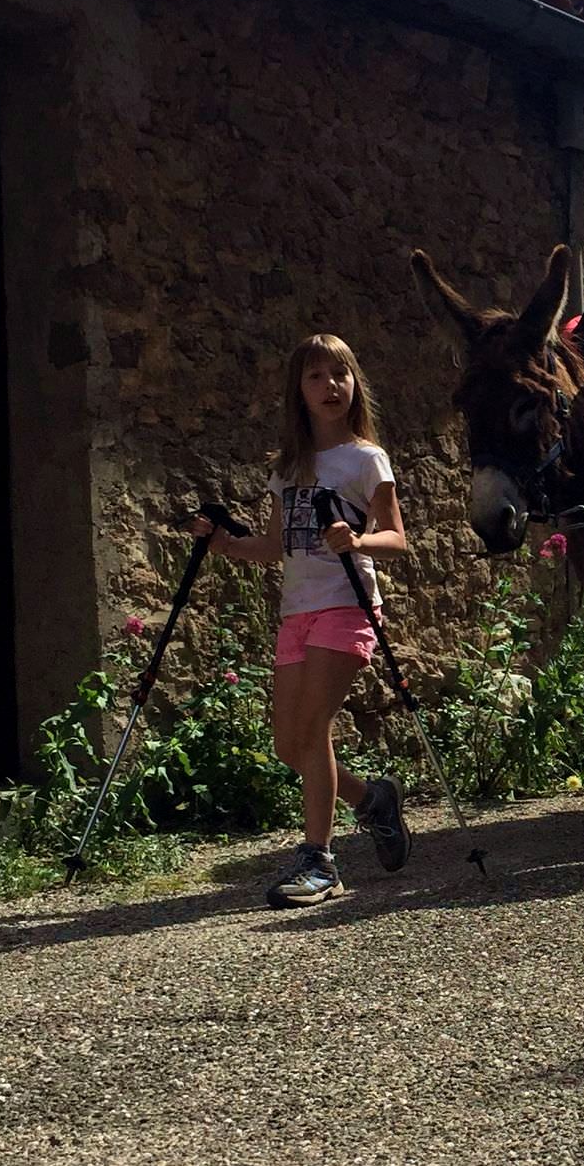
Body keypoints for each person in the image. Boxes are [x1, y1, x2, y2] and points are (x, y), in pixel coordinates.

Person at [194, 333, 413, 907]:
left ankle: (319, 861)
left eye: (339, 374)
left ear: (353, 384)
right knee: (289, 745)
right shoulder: (287, 468)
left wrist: (358, 537)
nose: (329, 386)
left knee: (313, 730)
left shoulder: (366, 459)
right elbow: (274, 546)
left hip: (347, 606)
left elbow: (396, 540)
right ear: (299, 389)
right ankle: (373, 801)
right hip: (297, 614)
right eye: (316, 376)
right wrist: (222, 543)